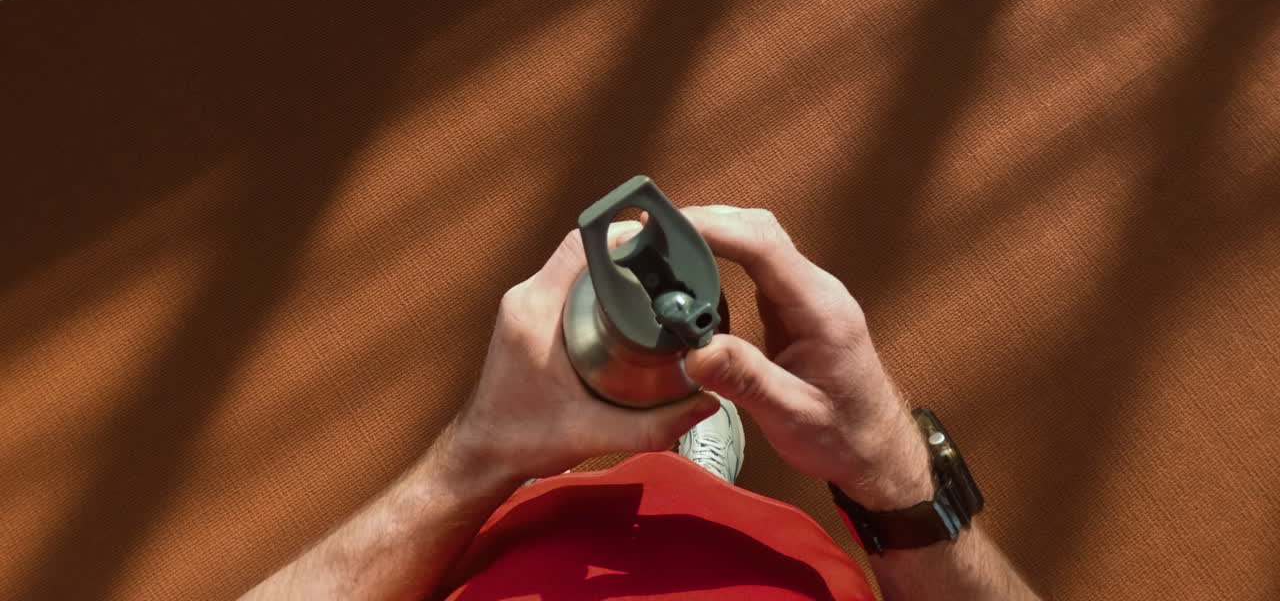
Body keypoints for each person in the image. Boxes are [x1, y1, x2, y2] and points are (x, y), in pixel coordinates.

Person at [242, 206, 1041, 600]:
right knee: (690, 509)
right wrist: (895, 483)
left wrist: (473, 461)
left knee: (533, 526)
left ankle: (516, 502)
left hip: (515, 570)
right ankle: (686, 488)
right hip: (773, 567)